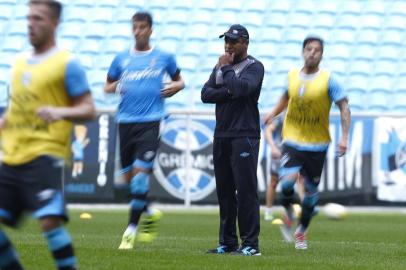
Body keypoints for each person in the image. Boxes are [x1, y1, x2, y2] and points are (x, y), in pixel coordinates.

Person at [0, 1, 96, 269]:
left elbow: (89, 109)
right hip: (12, 157)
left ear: (55, 23)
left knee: (49, 221)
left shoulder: (67, 63)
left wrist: (59, 111)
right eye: (29, 18)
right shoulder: (18, 63)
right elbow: (17, 110)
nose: (31, 23)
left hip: (45, 154)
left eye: (39, 19)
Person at [104, 11, 184, 250]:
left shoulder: (163, 57)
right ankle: (149, 211)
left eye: (141, 27)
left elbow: (180, 80)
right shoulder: (121, 59)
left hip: (151, 122)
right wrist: (118, 85)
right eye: (134, 27)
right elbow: (107, 86)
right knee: (129, 183)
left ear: (150, 29)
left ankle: (129, 232)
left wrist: (176, 87)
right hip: (125, 122)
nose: (137, 32)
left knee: (139, 181)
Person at [264, 35, 351, 250]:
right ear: (303, 52)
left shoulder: (329, 80)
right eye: (309, 49)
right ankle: (290, 210)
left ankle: (301, 231)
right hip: (292, 139)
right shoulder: (292, 76)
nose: (312, 53)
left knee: (311, 195)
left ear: (322, 55)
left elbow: (344, 107)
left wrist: (344, 137)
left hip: (317, 144)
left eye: (317, 50)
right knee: (286, 183)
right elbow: (285, 98)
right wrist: (273, 113)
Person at [202, 24, 264, 256]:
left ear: (245, 43)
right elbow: (205, 94)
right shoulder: (220, 66)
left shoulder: (254, 67)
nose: (228, 45)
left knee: (246, 191)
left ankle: (250, 244)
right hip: (222, 134)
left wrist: (227, 74)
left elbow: (242, 89)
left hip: (244, 135)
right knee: (225, 191)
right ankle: (227, 242)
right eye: (226, 41)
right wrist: (228, 91)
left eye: (233, 41)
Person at [264, 113, 305, 221]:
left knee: (299, 178)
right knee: (274, 180)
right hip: (280, 152)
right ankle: (268, 211)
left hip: (296, 151)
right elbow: (268, 130)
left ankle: (304, 209)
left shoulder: (303, 115)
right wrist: (273, 147)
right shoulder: (282, 116)